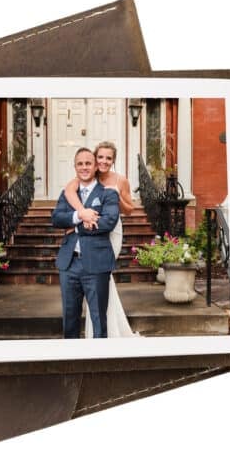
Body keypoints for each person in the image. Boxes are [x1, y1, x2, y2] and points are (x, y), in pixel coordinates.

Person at [62, 141, 139, 338]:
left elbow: (130, 209)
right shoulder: (86, 175)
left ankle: (105, 326)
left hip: (111, 229)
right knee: (95, 275)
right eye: (101, 157)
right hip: (88, 222)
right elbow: (69, 193)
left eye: (109, 158)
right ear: (95, 160)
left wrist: (115, 194)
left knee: (101, 273)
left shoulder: (120, 180)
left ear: (113, 161)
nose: (104, 161)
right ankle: (103, 325)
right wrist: (82, 215)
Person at [51, 148, 120, 338]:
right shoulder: (67, 194)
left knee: (99, 319)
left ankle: (99, 361)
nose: (84, 167)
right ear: (75, 167)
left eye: (88, 163)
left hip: (97, 264)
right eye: (80, 164)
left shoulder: (108, 194)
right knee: (69, 317)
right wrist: (80, 214)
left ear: (96, 166)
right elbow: (56, 218)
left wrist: (75, 227)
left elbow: (108, 222)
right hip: (69, 264)